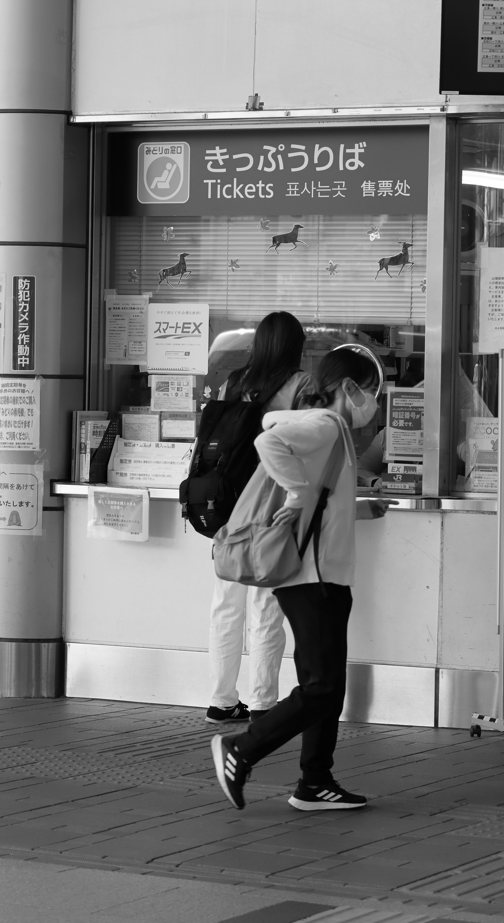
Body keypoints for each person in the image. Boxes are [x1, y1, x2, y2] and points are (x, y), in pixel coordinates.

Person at [211, 348, 391, 811]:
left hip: (324, 576)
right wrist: (293, 489)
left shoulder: (336, 435)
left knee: (326, 685)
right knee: (322, 688)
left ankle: (316, 782)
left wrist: (361, 508)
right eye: (370, 390)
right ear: (348, 388)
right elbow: (267, 444)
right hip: (311, 579)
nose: (374, 400)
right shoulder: (326, 425)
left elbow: (321, 498)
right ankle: (243, 749)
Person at [206, 311, 316, 725]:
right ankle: (263, 704)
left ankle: (221, 700)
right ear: (295, 345)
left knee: (225, 603)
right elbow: (313, 441)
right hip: (270, 503)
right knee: (266, 604)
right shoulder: (301, 384)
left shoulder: (235, 381)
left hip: (226, 505)